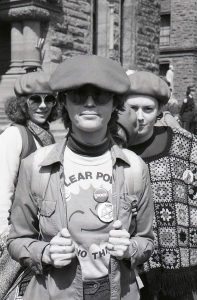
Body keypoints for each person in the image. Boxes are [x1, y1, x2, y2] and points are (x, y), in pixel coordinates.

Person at [7, 55, 154, 300]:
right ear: (64, 102)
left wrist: (131, 249)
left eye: (100, 95)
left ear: (114, 104)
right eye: (77, 94)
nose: (89, 103)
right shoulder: (36, 166)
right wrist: (45, 253)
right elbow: (18, 239)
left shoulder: (134, 168)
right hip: (55, 293)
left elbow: (146, 240)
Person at [116, 71, 197, 300]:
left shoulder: (185, 145)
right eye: (132, 108)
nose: (139, 117)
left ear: (160, 110)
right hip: (129, 267)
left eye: (148, 109)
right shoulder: (112, 150)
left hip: (177, 271)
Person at [0, 71, 57, 299]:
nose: (43, 106)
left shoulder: (47, 137)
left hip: (38, 235)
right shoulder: (14, 136)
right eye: (35, 99)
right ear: (23, 104)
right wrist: (4, 237)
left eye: (49, 99)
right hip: (16, 236)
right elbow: (2, 188)